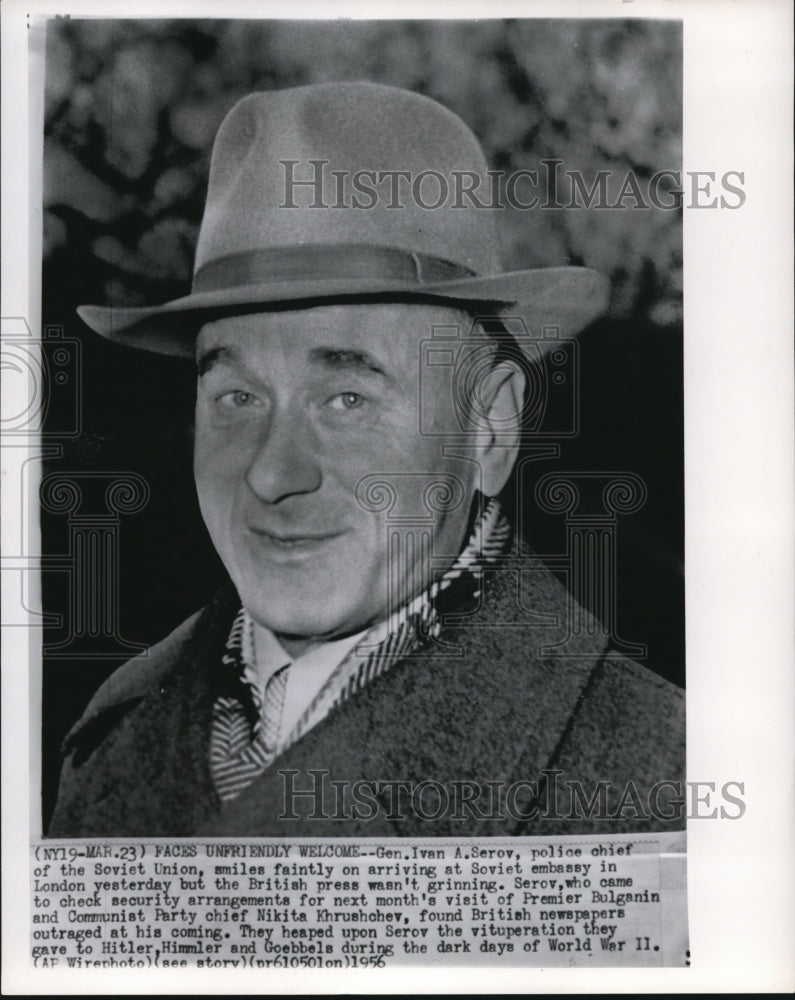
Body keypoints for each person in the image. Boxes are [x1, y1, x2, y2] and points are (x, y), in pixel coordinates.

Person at [48, 82, 684, 837]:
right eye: (236, 398)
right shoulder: (115, 730)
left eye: (346, 397)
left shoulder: (649, 777)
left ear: (489, 428)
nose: (272, 475)